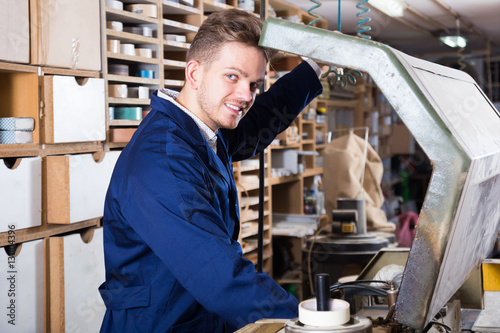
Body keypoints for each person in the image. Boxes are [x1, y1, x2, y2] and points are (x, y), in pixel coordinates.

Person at [99, 8, 323, 332]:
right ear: (194, 73)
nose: (246, 95)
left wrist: (315, 69)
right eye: (232, 76)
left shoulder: (203, 129)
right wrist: (312, 323)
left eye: (254, 83)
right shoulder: (163, 162)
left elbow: (259, 122)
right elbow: (220, 277)